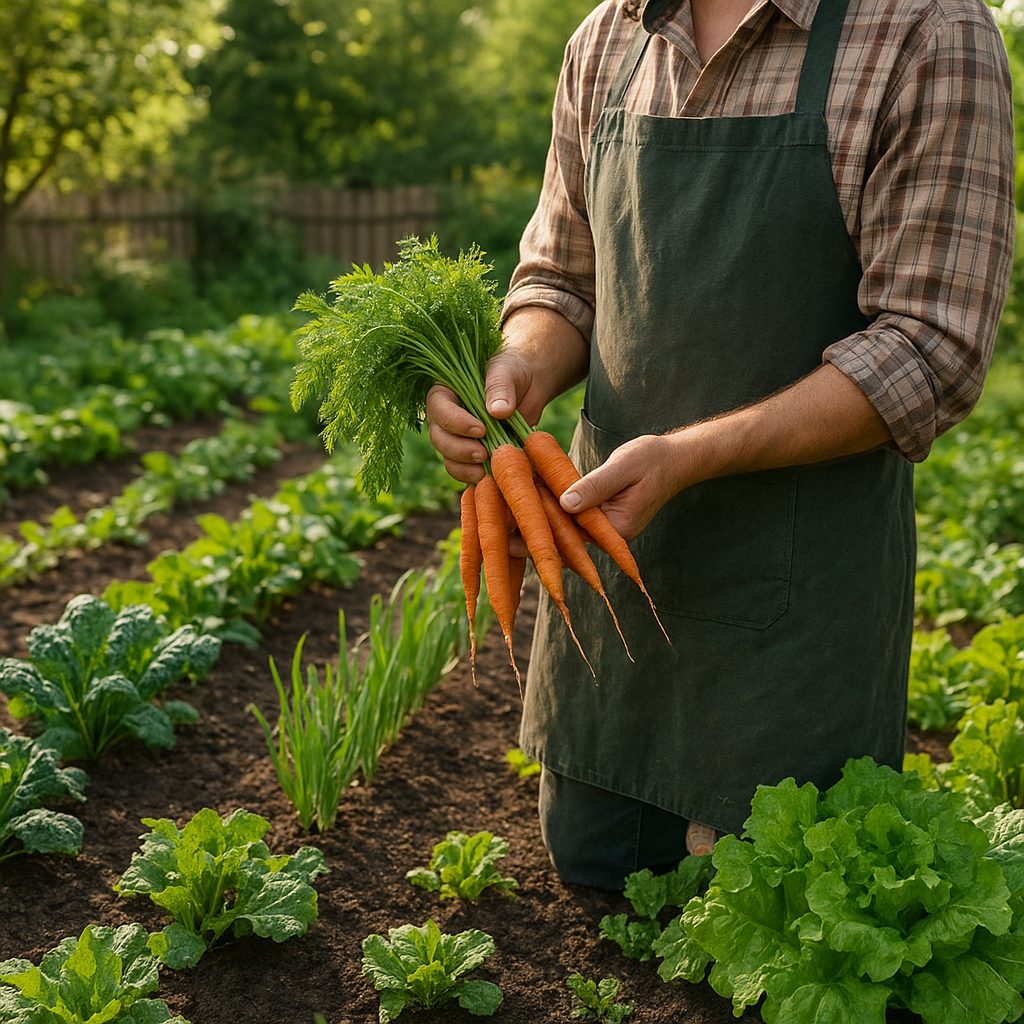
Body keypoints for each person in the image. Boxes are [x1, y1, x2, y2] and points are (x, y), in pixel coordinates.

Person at [426, 0, 1016, 890]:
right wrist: (512, 375)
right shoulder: (607, 39)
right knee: (593, 863)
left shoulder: (924, 29)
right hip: (614, 567)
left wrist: (690, 456)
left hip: (800, 598)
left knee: (782, 902)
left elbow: (930, 343)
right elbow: (560, 278)